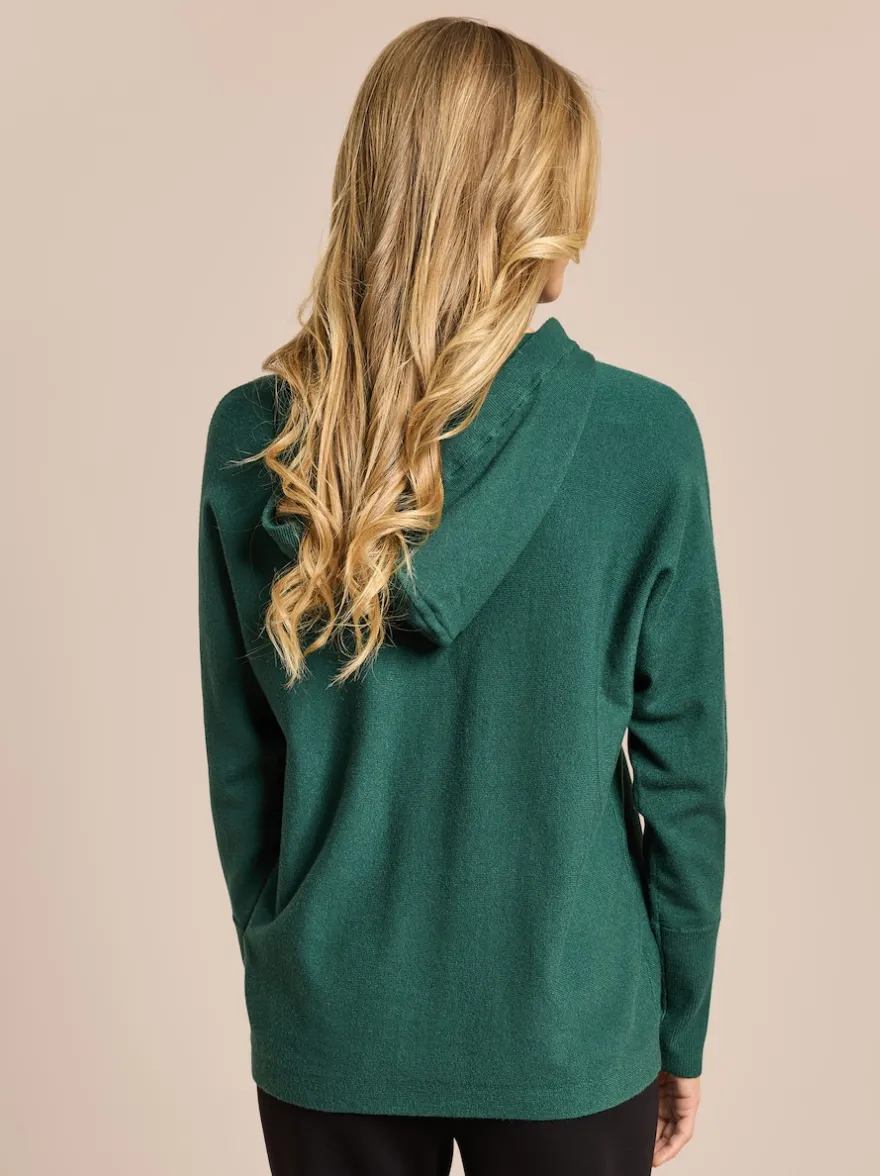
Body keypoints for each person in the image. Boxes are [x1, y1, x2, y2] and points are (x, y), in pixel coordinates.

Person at [197, 16, 728, 1175]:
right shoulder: (644, 439)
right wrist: (679, 1022)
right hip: (565, 1027)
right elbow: (683, 779)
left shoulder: (259, 439)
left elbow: (244, 768)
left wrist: (291, 973)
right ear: (535, 208)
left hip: (332, 1021)